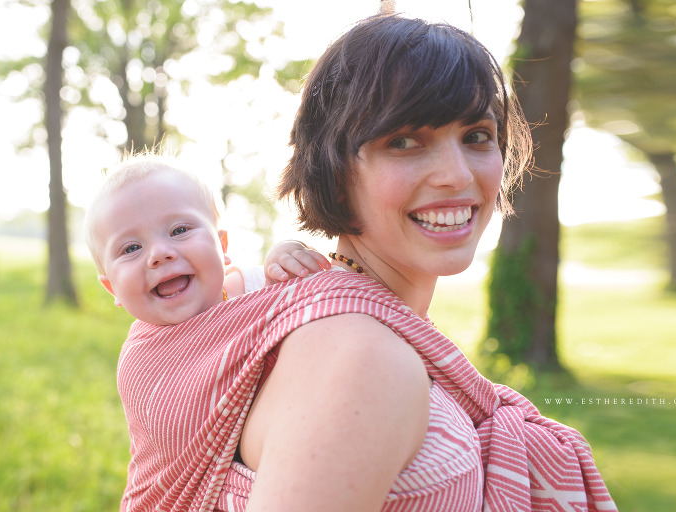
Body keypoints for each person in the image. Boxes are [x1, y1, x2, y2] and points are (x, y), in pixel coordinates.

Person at [108, 14, 617, 512]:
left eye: (476, 135)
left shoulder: (350, 322)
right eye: (404, 141)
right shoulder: (363, 358)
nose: (456, 175)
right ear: (330, 166)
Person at [83, 151, 330, 326]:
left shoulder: (256, 285)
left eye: (179, 230)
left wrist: (288, 259)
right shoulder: (144, 364)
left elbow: (307, 308)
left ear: (222, 246)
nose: (159, 253)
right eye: (132, 248)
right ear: (111, 287)